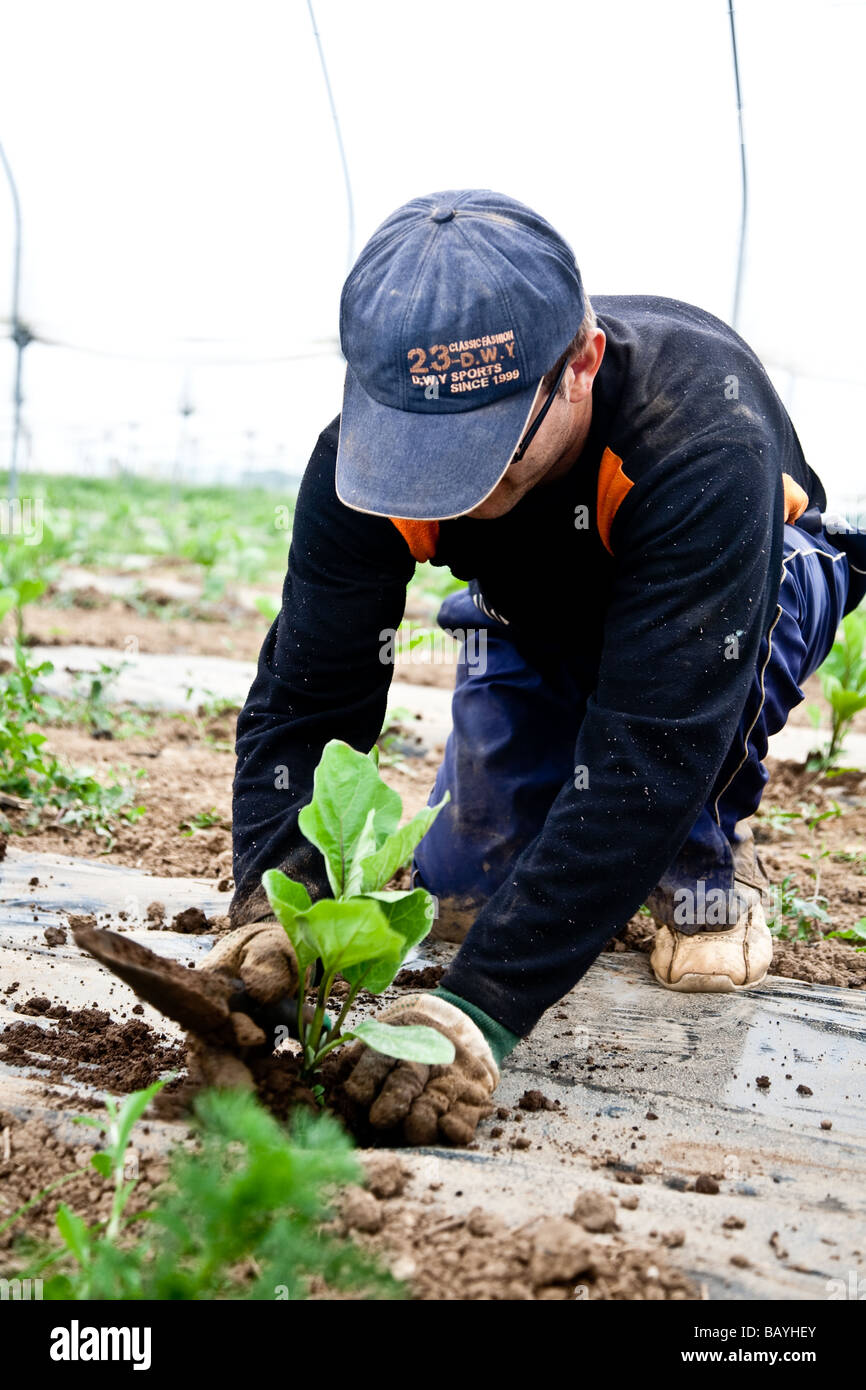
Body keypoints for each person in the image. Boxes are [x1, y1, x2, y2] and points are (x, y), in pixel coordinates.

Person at [224, 189, 866, 1146]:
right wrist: (277, 901)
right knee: (460, 891)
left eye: (488, 450)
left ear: (582, 365)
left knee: (671, 834)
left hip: (735, 604)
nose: (461, 491)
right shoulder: (359, 457)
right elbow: (311, 687)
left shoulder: (698, 431)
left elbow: (653, 737)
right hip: (531, 612)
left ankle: (713, 854)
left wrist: (477, 1013)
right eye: (422, 454)